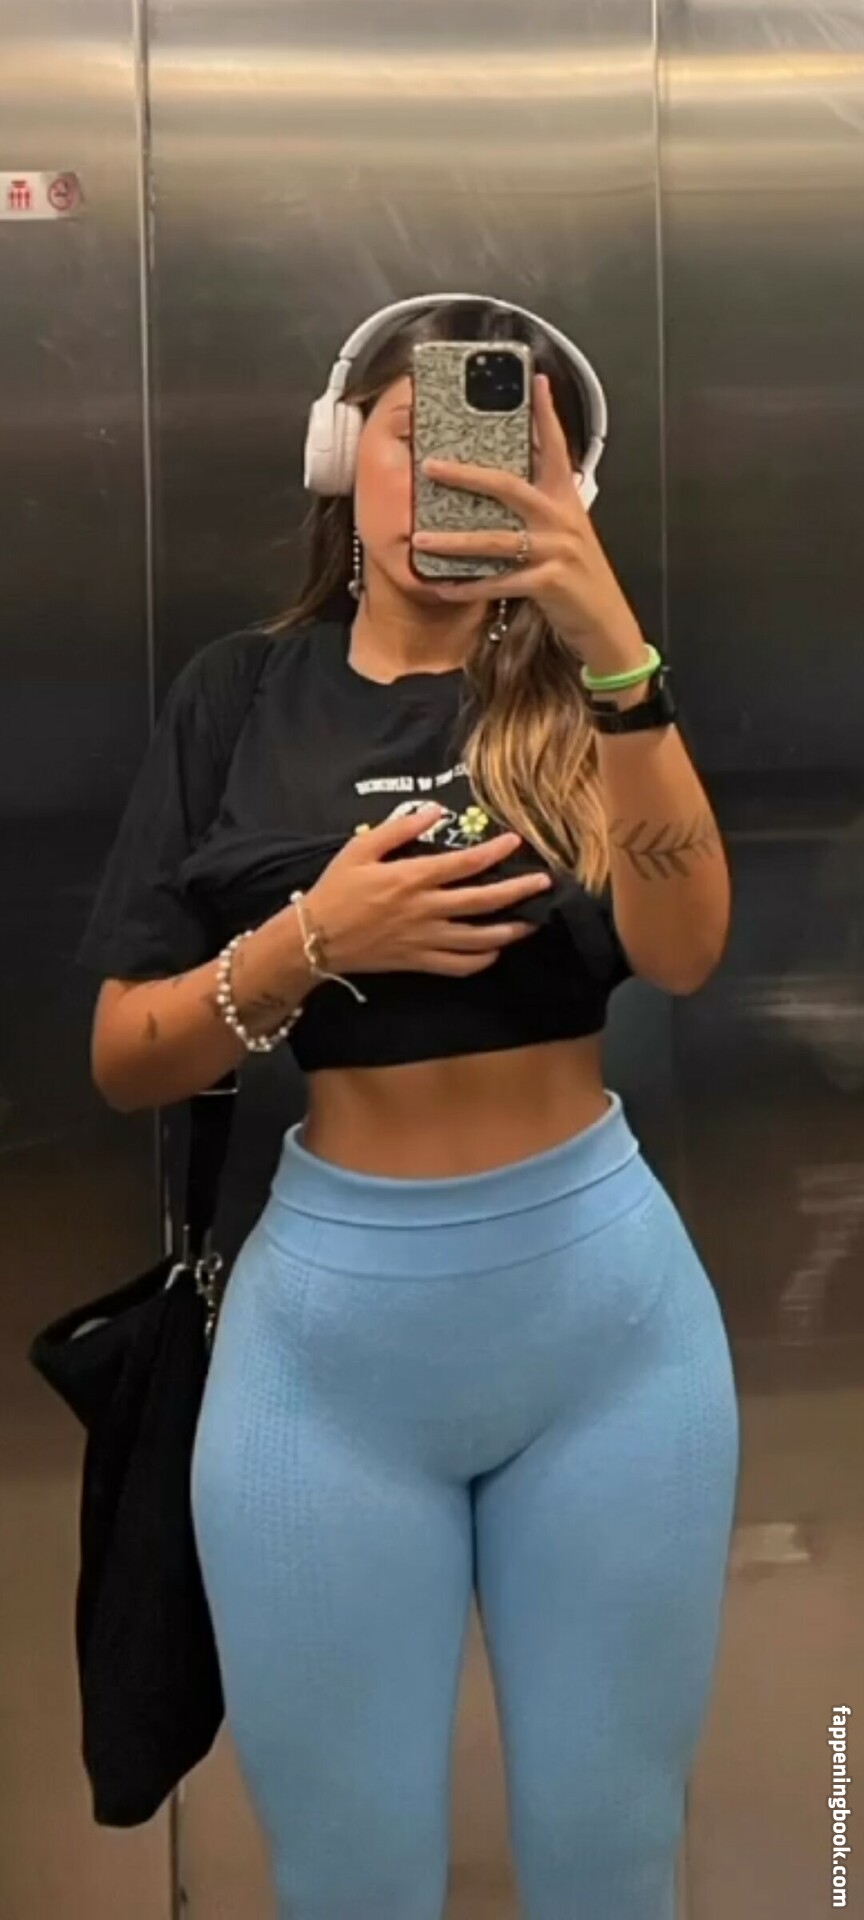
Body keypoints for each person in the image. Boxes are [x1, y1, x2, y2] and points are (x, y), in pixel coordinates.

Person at [78, 295, 740, 1920]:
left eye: (515, 447)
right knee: (350, 1875)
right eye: (415, 430)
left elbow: (685, 950)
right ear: (341, 455)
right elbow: (128, 1057)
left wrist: (617, 650)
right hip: (326, 1357)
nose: (455, 472)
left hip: (610, 1337)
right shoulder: (239, 695)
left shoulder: (596, 695)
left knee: (611, 1858)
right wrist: (313, 942)